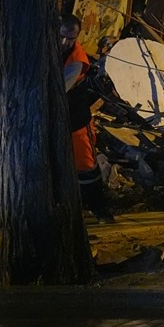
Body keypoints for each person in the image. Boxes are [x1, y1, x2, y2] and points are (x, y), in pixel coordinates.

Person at [60, 14, 113, 222]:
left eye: (71, 38)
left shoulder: (77, 60)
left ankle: (101, 210)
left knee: (86, 167)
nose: (66, 42)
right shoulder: (51, 48)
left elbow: (59, 90)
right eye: (63, 36)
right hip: (59, 119)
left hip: (77, 120)